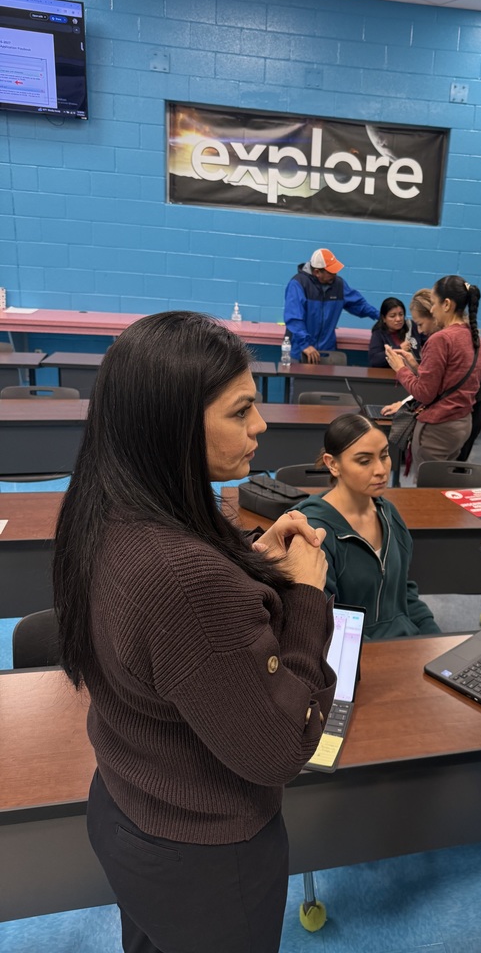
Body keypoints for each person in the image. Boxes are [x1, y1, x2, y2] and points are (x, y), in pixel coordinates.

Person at [54, 311, 336, 953]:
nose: (260, 427)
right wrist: (308, 597)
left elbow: (172, 619)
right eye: (240, 412)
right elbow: (279, 750)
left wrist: (251, 562)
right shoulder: (182, 580)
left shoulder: (110, 501)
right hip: (204, 856)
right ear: (174, 425)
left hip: (130, 803)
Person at [292, 412, 440, 639]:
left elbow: (404, 592)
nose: (381, 470)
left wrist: (433, 636)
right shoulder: (315, 532)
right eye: (364, 461)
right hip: (353, 655)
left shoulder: (389, 514)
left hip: (402, 644)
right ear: (333, 464)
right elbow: (325, 622)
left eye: (384, 455)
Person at [385, 275, 481, 473]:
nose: (431, 309)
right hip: (462, 423)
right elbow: (448, 380)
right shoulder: (471, 335)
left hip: (439, 427)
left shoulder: (441, 339)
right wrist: (414, 365)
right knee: (443, 483)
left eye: (434, 303)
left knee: (426, 488)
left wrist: (401, 369)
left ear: (446, 304)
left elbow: (425, 393)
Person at [284, 247, 378, 363]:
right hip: (300, 352)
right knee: (299, 381)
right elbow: (294, 319)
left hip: (327, 353)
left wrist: (381, 315)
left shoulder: (338, 284)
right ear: (317, 272)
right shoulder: (298, 284)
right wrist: (305, 345)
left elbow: (359, 305)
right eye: (330, 272)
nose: (335, 274)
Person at [368, 297, 410, 368]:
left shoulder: (410, 328)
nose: (398, 319)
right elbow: (374, 359)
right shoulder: (378, 334)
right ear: (384, 318)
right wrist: (398, 349)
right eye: (392, 316)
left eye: (401, 314)